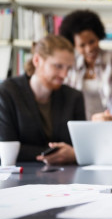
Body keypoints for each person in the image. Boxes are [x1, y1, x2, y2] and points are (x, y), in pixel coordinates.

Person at [0, 35, 85, 165]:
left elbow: (81, 147)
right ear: (37, 60)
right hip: (21, 174)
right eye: (58, 66)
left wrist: (75, 153)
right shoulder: (7, 92)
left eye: (68, 68)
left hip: (65, 176)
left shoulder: (73, 97)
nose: (64, 75)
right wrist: (65, 153)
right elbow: (6, 148)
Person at [59, 10, 112, 120]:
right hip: (80, 122)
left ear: (98, 36)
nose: (89, 49)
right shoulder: (71, 65)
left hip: (110, 122)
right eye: (82, 45)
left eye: (92, 41)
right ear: (74, 45)